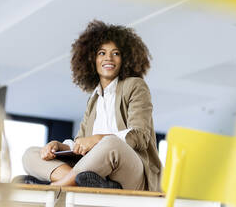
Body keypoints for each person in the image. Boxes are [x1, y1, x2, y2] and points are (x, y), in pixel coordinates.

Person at [21, 20, 162, 191]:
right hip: (93, 172)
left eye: (116, 53)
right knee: (31, 154)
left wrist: (97, 140)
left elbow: (139, 137)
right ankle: (88, 182)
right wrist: (60, 146)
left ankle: (56, 186)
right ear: (91, 59)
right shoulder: (94, 98)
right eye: (101, 53)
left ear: (125, 58)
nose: (108, 58)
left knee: (111, 144)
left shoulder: (135, 86)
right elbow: (80, 142)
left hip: (131, 172)